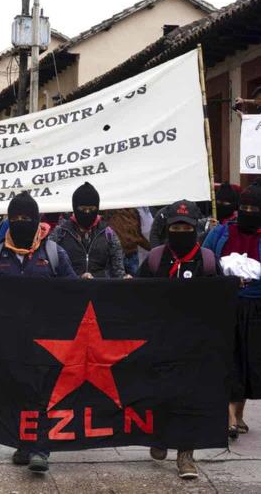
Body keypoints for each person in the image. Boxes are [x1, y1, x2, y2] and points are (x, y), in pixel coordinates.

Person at [0, 192, 76, 474]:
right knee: (16, 391)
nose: (21, 223)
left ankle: (41, 448)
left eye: (27, 218)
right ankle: (23, 442)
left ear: (37, 220)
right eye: (16, 218)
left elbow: (72, 292)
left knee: (44, 394)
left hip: (47, 340)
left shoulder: (55, 254)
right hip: (10, 339)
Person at [138, 200, 220, 480]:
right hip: (160, 342)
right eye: (176, 227)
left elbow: (218, 302)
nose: (181, 231)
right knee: (160, 393)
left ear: (195, 229)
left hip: (194, 344)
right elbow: (135, 296)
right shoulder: (155, 258)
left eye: (186, 227)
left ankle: (186, 455)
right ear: (168, 228)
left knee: (190, 399)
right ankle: (159, 437)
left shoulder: (207, 261)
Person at [204, 182, 261, 443]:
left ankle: (238, 414)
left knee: (250, 362)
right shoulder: (222, 232)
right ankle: (226, 416)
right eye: (244, 207)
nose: (248, 211)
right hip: (227, 303)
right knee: (230, 359)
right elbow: (206, 258)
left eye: (254, 208)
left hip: (256, 306)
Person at [50, 182, 126, 278]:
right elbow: (52, 268)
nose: (87, 213)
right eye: (83, 209)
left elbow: (118, 269)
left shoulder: (108, 233)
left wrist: (124, 278)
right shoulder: (61, 232)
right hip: (70, 288)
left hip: (101, 289)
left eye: (91, 209)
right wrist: (78, 278)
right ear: (75, 207)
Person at [103, 208, 151, 276]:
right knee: (116, 282)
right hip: (117, 255)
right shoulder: (111, 210)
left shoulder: (135, 212)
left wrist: (152, 248)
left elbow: (138, 234)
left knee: (133, 282)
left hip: (132, 255)